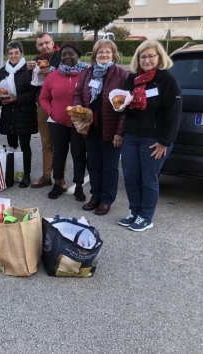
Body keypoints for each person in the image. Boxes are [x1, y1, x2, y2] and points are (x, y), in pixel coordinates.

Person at [118, 40, 182, 232]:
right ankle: (134, 211)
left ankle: (146, 216)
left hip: (154, 140)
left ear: (159, 57)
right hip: (131, 136)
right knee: (130, 177)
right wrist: (119, 106)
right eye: (143, 56)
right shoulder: (132, 79)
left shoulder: (167, 81)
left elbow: (174, 114)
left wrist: (165, 142)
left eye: (151, 56)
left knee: (149, 179)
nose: (146, 60)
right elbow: (125, 109)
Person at [73, 40, 129, 216]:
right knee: (94, 165)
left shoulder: (122, 75)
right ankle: (95, 196)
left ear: (114, 54)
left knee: (110, 167)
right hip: (91, 128)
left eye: (107, 52)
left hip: (111, 130)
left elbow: (126, 107)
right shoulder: (87, 73)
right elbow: (78, 94)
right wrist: (78, 108)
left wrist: (120, 131)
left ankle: (107, 199)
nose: (104, 55)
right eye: (100, 52)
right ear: (94, 55)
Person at [39, 41, 89, 201]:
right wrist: (51, 112)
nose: (67, 57)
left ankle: (79, 186)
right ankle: (58, 183)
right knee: (59, 154)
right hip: (57, 122)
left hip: (79, 123)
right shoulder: (53, 75)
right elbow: (43, 97)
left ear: (78, 55)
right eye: (63, 54)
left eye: (70, 54)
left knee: (78, 154)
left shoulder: (88, 74)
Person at [0, 41, 38, 188]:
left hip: (24, 113)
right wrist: (0, 99)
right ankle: (13, 172)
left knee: (25, 145)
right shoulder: (3, 70)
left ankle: (26, 175)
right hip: (9, 113)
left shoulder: (29, 70)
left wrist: (16, 98)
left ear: (22, 54)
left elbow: (33, 94)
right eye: (10, 53)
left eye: (16, 53)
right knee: (12, 145)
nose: (13, 56)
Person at [28, 32, 62, 189]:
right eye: (41, 44)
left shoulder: (62, 56)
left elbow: (72, 76)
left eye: (47, 43)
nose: (44, 46)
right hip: (42, 105)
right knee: (46, 143)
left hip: (60, 105)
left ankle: (60, 179)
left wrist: (54, 73)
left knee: (59, 144)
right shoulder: (37, 60)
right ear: (37, 47)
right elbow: (32, 84)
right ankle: (46, 176)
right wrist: (29, 70)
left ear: (53, 42)